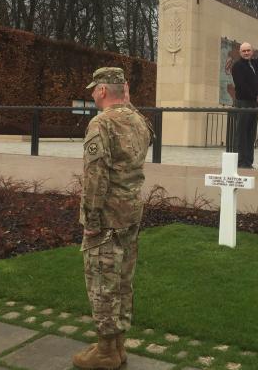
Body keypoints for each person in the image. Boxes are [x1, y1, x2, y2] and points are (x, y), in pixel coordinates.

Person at [72, 67, 153, 370]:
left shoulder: (101, 123)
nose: (92, 93)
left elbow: (95, 177)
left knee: (103, 280)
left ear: (103, 91)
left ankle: (106, 351)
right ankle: (118, 345)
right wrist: (128, 102)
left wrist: (91, 221)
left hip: (106, 216)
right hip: (130, 212)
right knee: (123, 280)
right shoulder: (139, 120)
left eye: (95, 89)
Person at [231, 42, 258, 168]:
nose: (246, 53)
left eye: (248, 50)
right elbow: (241, 86)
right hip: (243, 103)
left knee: (251, 133)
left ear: (252, 51)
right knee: (242, 133)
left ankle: (248, 162)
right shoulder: (237, 66)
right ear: (240, 53)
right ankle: (240, 162)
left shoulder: (254, 64)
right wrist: (255, 97)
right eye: (243, 51)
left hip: (254, 103)